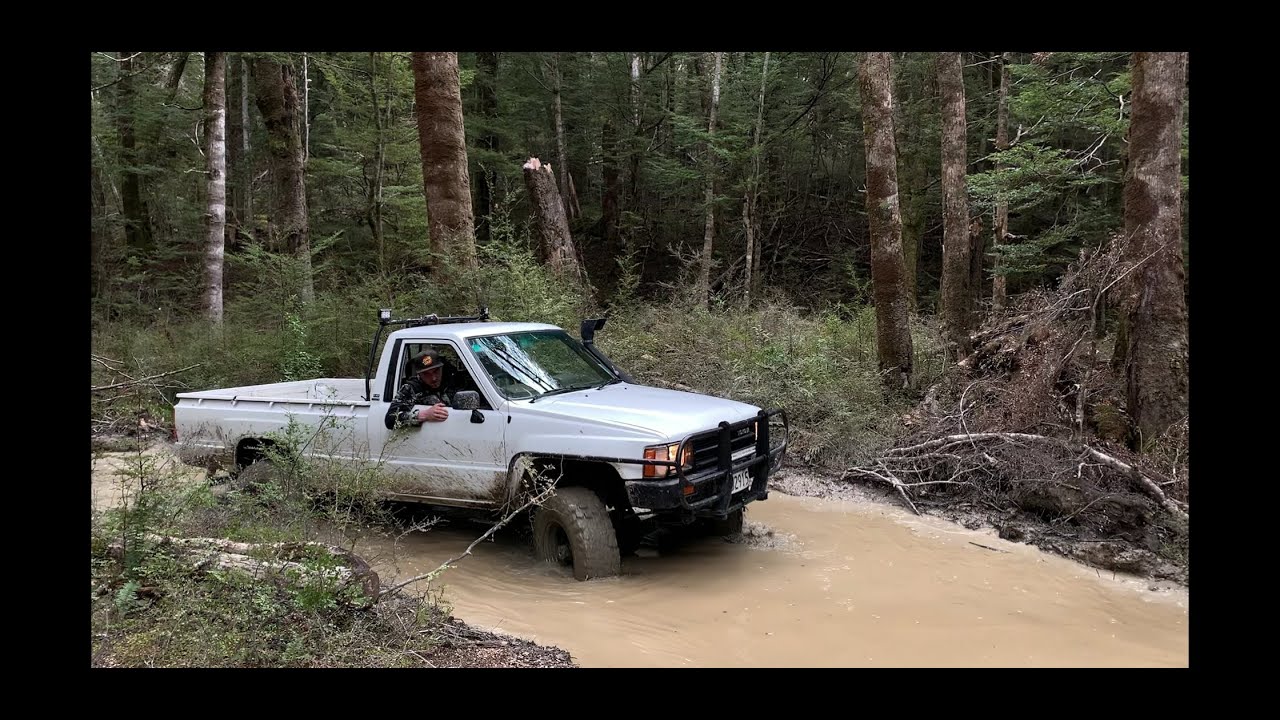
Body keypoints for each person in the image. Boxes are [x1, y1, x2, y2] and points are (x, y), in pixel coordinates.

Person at [385, 350, 456, 430]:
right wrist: (423, 415)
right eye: (426, 374)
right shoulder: (412, 388)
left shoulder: (452, 382)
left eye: (436, 371)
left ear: (442, 368)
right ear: (419, 374)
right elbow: (390, 420)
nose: (434, 378)